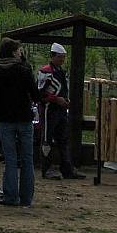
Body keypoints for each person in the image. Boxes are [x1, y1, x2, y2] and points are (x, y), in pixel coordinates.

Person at [0, 38, 38, 207]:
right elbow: (35, 94)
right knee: (27, 159)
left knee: (10, 158)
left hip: (5, 119)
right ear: (14, 52)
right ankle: (26, 197)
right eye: (19, 50)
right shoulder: (24, 70)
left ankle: (10, 196)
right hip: (24, 117)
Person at [38, 43, 86, 180]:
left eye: (63, 57)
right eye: (60, 57)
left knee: (63, 139)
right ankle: (46, 169)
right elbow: (40, 94)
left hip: (60, 109)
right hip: (49, 110)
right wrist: (56, 99)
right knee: (47, 139)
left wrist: (65, 100)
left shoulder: (61, 72)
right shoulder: (46, 71)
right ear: (53, 56)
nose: (62, 60)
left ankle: (67, 169)